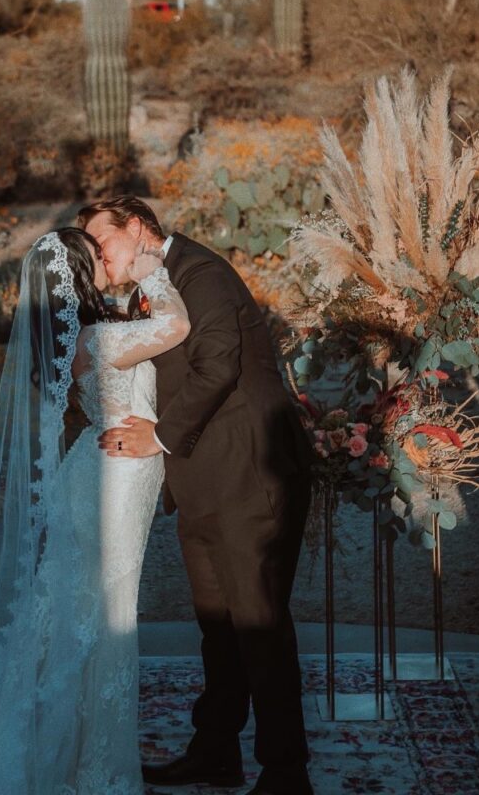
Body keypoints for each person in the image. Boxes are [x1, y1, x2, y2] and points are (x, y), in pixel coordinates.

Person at [0, 226, 190, 794]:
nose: (110, 254)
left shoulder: (82, 337)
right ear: (80, 274)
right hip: (115, 475)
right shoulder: (100, 340)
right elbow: (178, 326)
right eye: (97, 251)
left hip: (98, 465)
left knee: (84, 615)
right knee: (108, 620)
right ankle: (96, 771)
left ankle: (81, 756)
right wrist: (152, 268)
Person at [81, 195, 315, 795]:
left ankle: (287, 775)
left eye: (103, 245)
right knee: (219, 628)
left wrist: (156, 436)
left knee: (259, 626)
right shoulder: (156, 283)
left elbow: (219, 363)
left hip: (249, 476)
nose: (102, 263)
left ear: (136, 228)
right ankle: (216, 751)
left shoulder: (201, 273)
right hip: (201, 481)